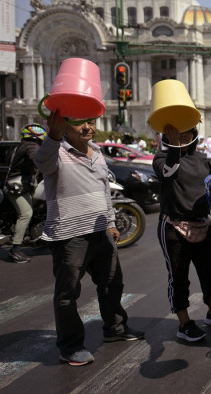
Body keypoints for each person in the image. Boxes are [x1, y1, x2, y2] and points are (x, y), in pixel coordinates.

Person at [34, 111, 144, 366]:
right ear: (66, 125)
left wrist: (111, 222)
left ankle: (115, 329)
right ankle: (70, 347)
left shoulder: (97, 153)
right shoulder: (56, 152)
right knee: (68, 293)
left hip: (100, 232)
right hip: (70, 235)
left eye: (91, 122)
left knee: (112, 283)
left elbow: (104, 190)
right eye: (80, 122)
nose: (87, 127)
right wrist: (53, 134)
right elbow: (41, 162)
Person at [153, 125, 211, 344]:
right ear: (166, 133)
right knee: (178, 277)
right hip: (174, 227)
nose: (184, 133)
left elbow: (210, 191)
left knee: (210, 273)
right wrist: (175, 146)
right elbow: (170, 173)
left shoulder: (203, 159)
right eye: (178, 129)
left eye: (188, 129)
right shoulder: (161, 157)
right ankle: (184, 323)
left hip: (202, 224)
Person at [5, 124, 46, 263]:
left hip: (22, 185)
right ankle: (15, 249)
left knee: (40, 207)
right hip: (17, 187)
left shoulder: (19, 146)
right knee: (26, 213)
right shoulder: (31, 146)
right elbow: (37, 158)